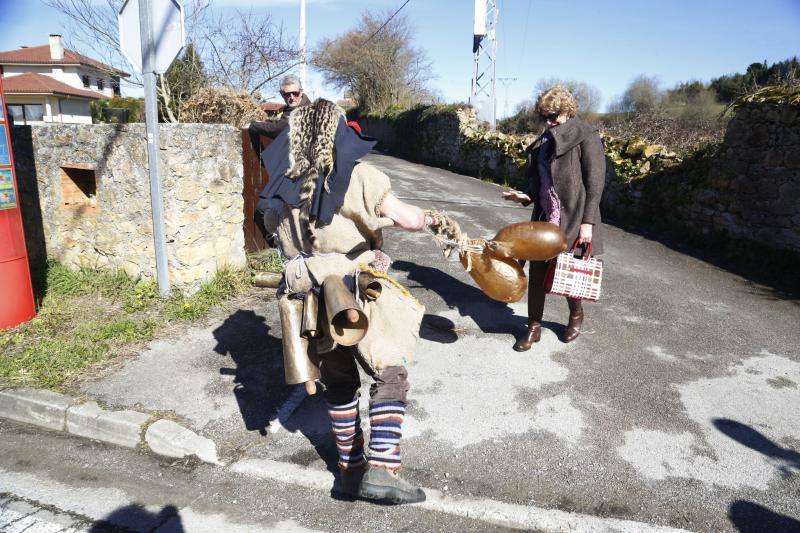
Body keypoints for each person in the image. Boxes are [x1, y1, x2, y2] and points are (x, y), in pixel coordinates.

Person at [260, 98, 435, 504]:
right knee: (390, 369)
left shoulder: (278, 183)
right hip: (355, 291)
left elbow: (286, 233)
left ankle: (349, 471)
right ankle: (383, 468)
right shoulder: (358, 175)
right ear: (336, 132)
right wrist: (430, 217)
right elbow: (408, 218)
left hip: (309, 297)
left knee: (338, 382)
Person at [501, 85, 605, 351]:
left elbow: (595, 183)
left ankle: (576, 314)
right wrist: (525, 196)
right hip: (546, 218)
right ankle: (533, 327)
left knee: (570, 274)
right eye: (544, 116)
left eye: (553, 116)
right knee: (536, 275)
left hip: (574, 217)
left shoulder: (585, 135)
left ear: (567, 110)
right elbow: (541, 182)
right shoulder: (544, 142)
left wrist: (588, 223)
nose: (548, 122)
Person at [251, 75, 311, 240]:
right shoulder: (290, 110)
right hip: (290, 171)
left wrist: (252, 124)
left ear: (301, 92)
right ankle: (283, 243)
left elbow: (277, 128)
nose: (291, 97)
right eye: (286, 94)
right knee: (271, 208)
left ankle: (282, 243)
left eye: (294, 93)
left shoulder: (303, 110)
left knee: (265, 208)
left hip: (301, 173)